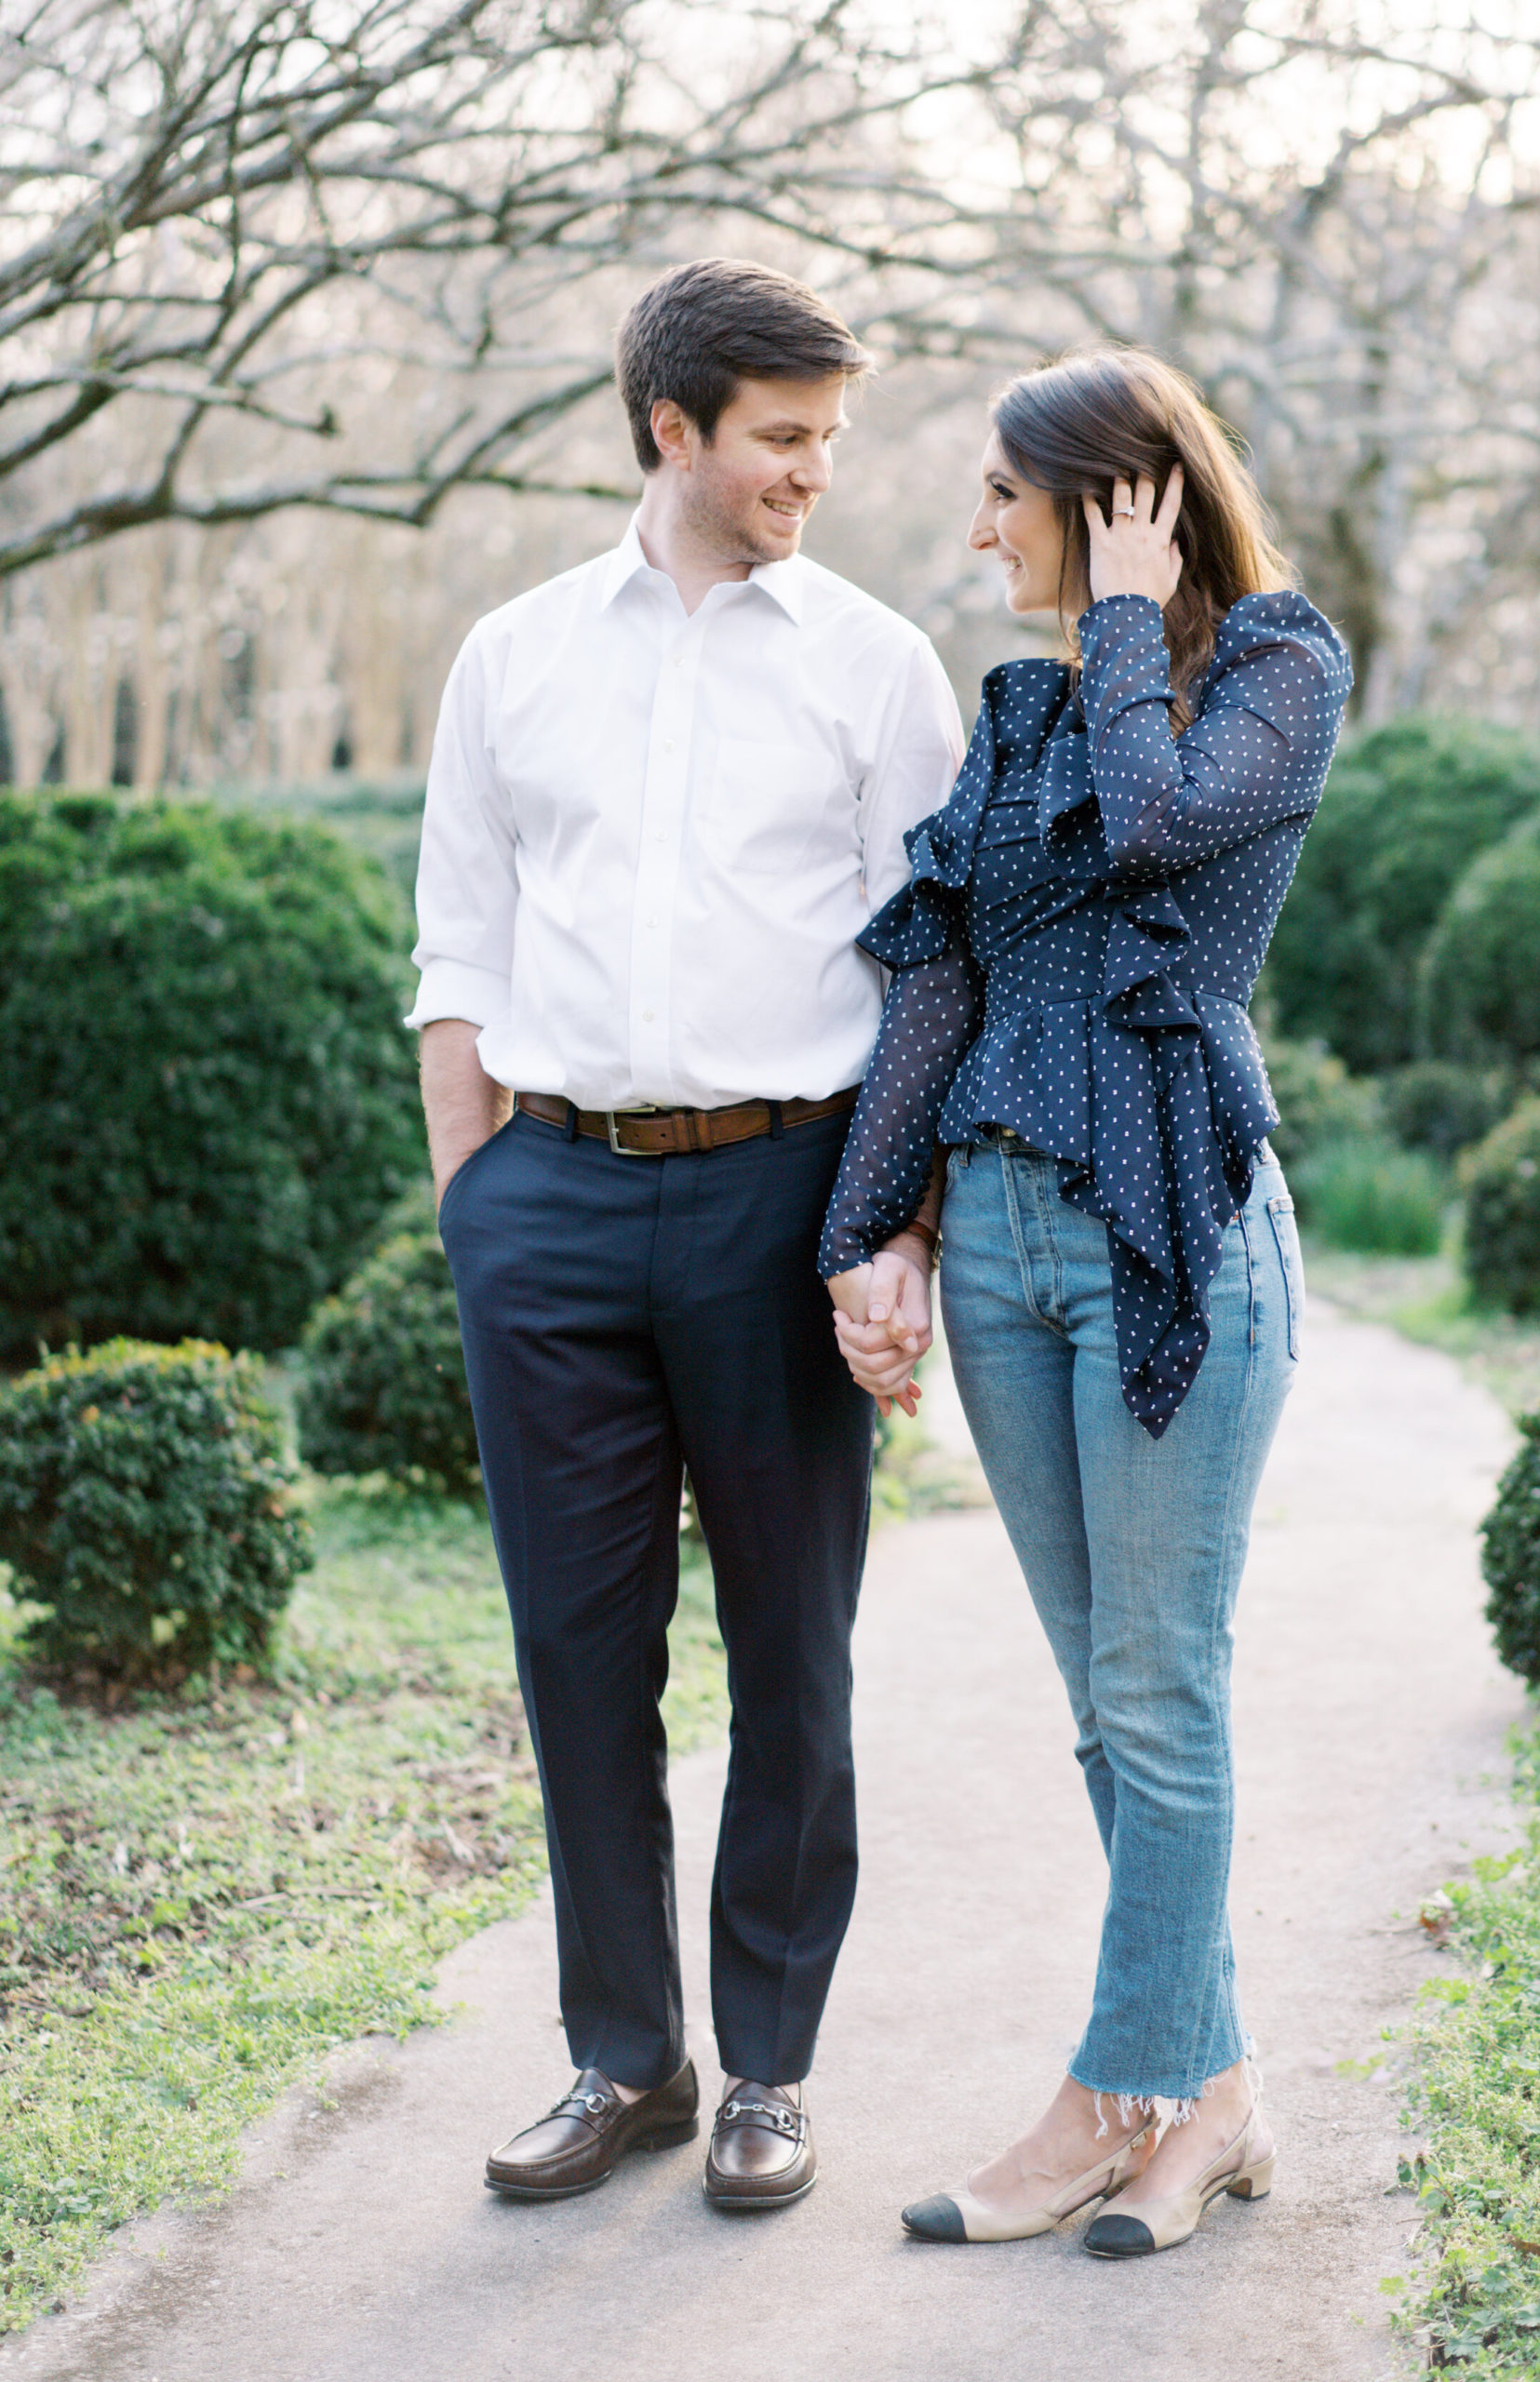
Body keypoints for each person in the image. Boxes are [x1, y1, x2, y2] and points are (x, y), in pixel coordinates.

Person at [410, 257, 963, 2214]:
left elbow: (934, 968)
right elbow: (457, 940)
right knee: (578, 1649)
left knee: (791, 1650)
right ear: (675, 429)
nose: (817, 472)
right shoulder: (517, 652)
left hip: (782, 1189)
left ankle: (772, 2068)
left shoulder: (875, 663)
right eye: (784, 439)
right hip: (546, 1201)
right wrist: (480, 1194)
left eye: (831, 437)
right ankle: (624, 2054)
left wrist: (889, 1221)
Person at [820, 346, 1351, 2255]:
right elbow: (946, 980)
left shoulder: (1279, 666)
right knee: (1102, 1693)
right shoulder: (1025, 702)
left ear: (1118, 499)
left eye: (1000, 494)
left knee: (1159, 1678)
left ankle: (1092, 2108)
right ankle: (1212, 2100)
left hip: (1176, 1230)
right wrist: (868, 1231)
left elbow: (1153, 830)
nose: (974, 530)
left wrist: (1130, 621)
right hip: (1010, 1254)